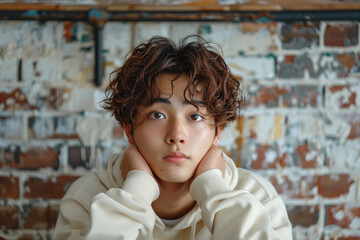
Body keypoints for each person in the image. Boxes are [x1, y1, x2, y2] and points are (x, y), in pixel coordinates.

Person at [53, 35, 292, 240]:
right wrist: (136, 191)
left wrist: (213, 188)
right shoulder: (87, 197)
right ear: (128, 127)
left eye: (195, 117)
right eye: (157, 115)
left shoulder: (259, 199)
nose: (176, 135)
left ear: (218, 130)